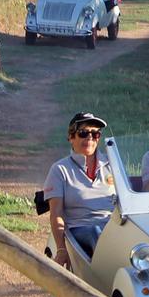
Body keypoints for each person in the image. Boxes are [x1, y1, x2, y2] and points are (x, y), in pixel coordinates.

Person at [43, 112, 114, 264]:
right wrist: (61, 249)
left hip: (112, 226)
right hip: (81, 227)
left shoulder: (112, 165)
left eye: (95, 134)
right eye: (83, 133)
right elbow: (56, 213)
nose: (90, 138)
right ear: (71, 137)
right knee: (96, 233)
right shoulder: (60, 169)